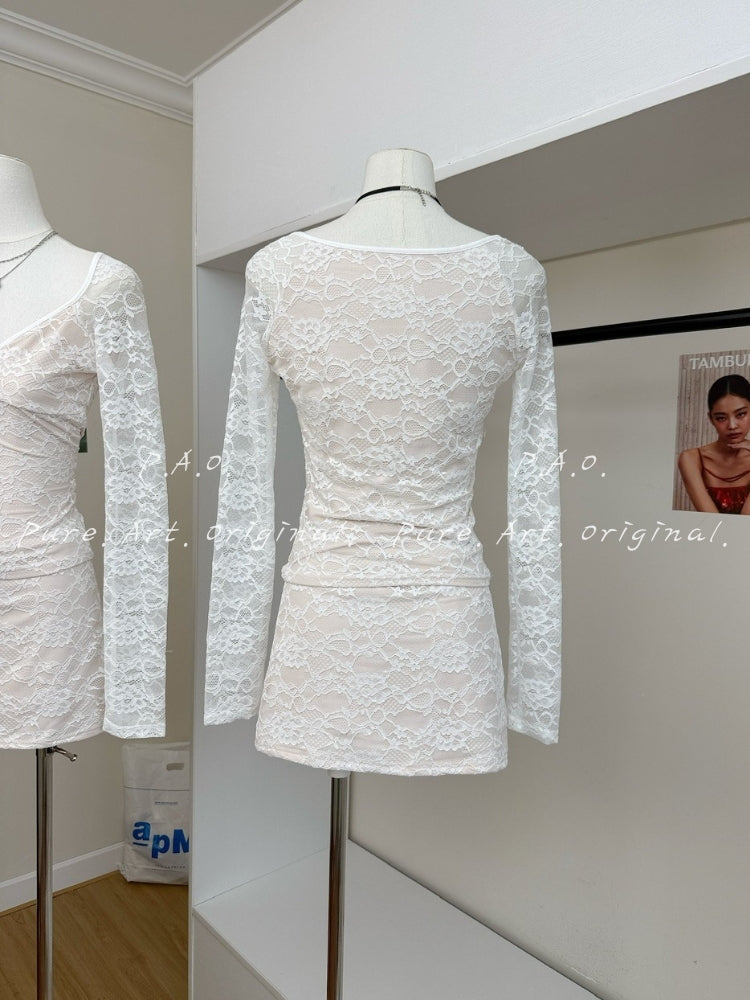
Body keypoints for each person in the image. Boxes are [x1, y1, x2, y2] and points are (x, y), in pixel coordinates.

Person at [678, 374, 750, 515]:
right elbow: (712, 522)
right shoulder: (691, 458)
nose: (732, 425)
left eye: (741, 414)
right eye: (721, 418)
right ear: (711, 418)